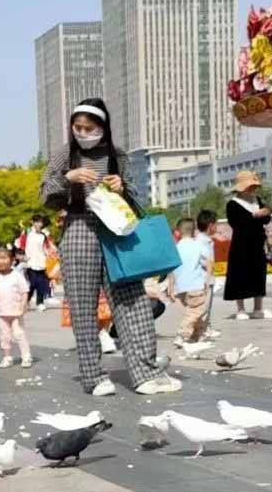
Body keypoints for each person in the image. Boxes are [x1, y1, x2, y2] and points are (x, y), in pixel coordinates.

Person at [41, 96, 178, 398]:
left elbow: (138, 198)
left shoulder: (118, 155)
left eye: (90, 128)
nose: (83, 133)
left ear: (103, 127)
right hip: (78, 230)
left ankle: (145, 372)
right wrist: (68, 178)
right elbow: (46, 195)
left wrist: (123, 187)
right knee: (82, 305)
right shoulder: (65, 154)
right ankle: (94, 376)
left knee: (133, 301)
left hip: (117, 233)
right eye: (77, 127)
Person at [223, 170, 272, 320]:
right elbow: (237, 223)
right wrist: (254, 216)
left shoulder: (256, 200)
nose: (253, 189)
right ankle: (241, 309)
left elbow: (266, 220)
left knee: (258, 275)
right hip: (241, 246)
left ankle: (258, 308)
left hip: (257, 245)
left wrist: (265, 213)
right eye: (250, 186)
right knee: (240, 275)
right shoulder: (232, 204)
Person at [0, 245, 32, 368]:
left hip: (16, 312)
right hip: (1, 313)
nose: (1, 261)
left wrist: (23, 305)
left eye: (4, 258)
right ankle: (7, 357)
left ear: (12, 260)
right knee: (5, 336)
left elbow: (24, 292)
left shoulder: (17, 276)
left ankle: (26, 356)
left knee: (19, 333)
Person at [168, 217, 209, 346]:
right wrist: (207, 279)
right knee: (196, 311)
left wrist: (171, 286)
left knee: (191, 312)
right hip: (195, 286)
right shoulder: (198, 245)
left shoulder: (176, 248)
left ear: (178, 232)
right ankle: (182, 333)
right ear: (194, 231)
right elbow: (207, 262)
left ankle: (198, 335)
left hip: (181, 287)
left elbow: (172, 269)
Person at [18, 213, 55, 309]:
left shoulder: (43, 235)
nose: (39, 224)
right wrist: (22, 256)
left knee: (41, 283)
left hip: (41, 262)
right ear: (33, 222)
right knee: (33, 283)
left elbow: (47, 247)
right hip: (30, 262)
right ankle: (26, 301)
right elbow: (21, 245)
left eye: (41, 222)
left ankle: (40, 303)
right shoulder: (27, 232)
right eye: (37, 222)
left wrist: (51, 254)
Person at [196, 208, 220, 338]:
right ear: (210, 225)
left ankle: (206, 327)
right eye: (216, 223)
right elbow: (202, 259)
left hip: (208, 277)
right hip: (204, 278)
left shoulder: (206, 239)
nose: (217, 226)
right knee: (204, 305)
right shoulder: (201, 241)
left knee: (208, 305)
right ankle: (202, 330)